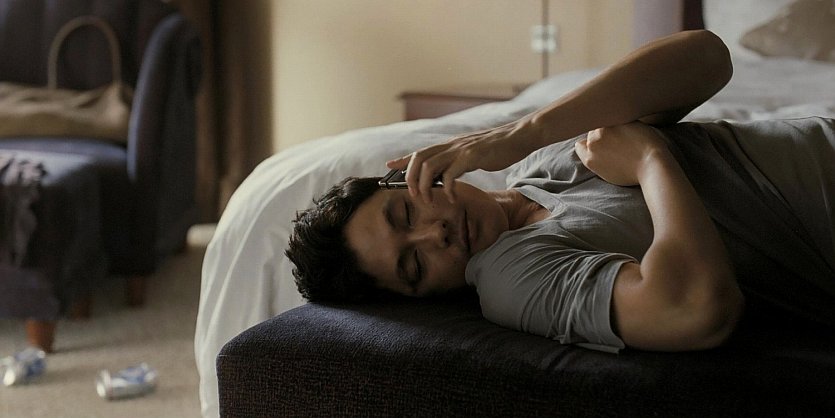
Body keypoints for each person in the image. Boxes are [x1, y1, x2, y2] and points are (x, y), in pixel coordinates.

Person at [286, 30, 835, 353]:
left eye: (406, 214)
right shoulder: (513, 277)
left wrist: (520, 133)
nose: (437, 235)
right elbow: (694, 310)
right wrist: (651, 159)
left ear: (415, 174)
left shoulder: (537, 160)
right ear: (420, 299)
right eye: (415, 266)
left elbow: (708, 59)